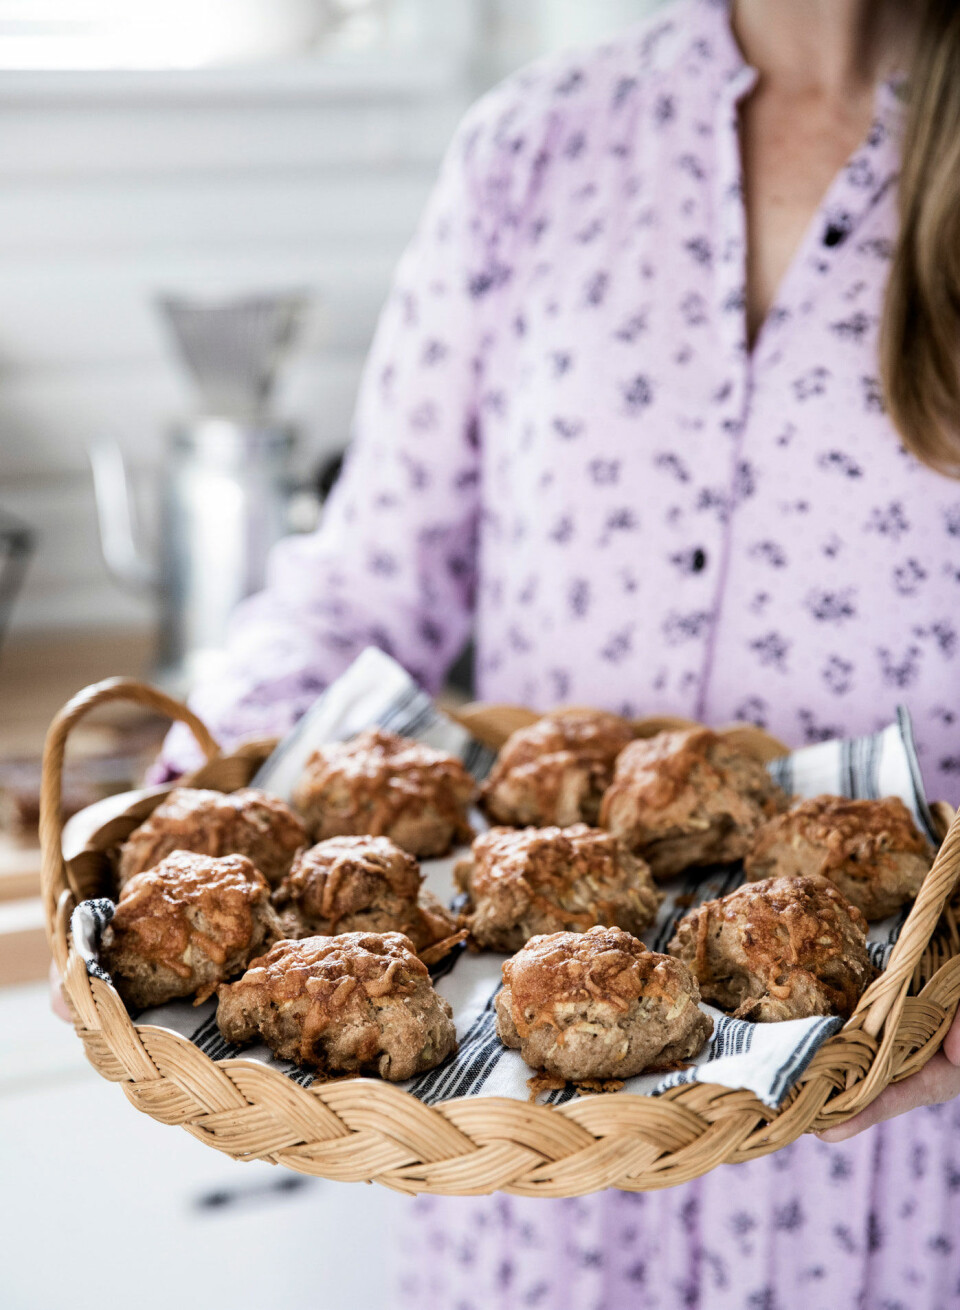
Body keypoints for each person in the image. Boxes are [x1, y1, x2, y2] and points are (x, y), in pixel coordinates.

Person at [152, 0, 960, 1304]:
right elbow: (367, 581)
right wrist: (200, 810)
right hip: (531, 1166)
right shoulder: (538, 150)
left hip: (892, 1172)